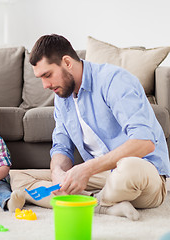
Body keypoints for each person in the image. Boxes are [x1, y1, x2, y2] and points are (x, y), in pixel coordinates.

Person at [10, 34, 170, 221]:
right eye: (40, 78)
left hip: (141, 176)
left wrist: (85, 170)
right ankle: (105, 206)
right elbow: (61, 147)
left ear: (67, 62)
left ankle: (85, 201)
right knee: (16, 177)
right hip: (102, 178)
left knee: (128, 166)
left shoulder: (113, 80)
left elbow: (145, 143)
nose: (45, 85)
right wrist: (58, 174)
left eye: (47, 75)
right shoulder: (62, 98)